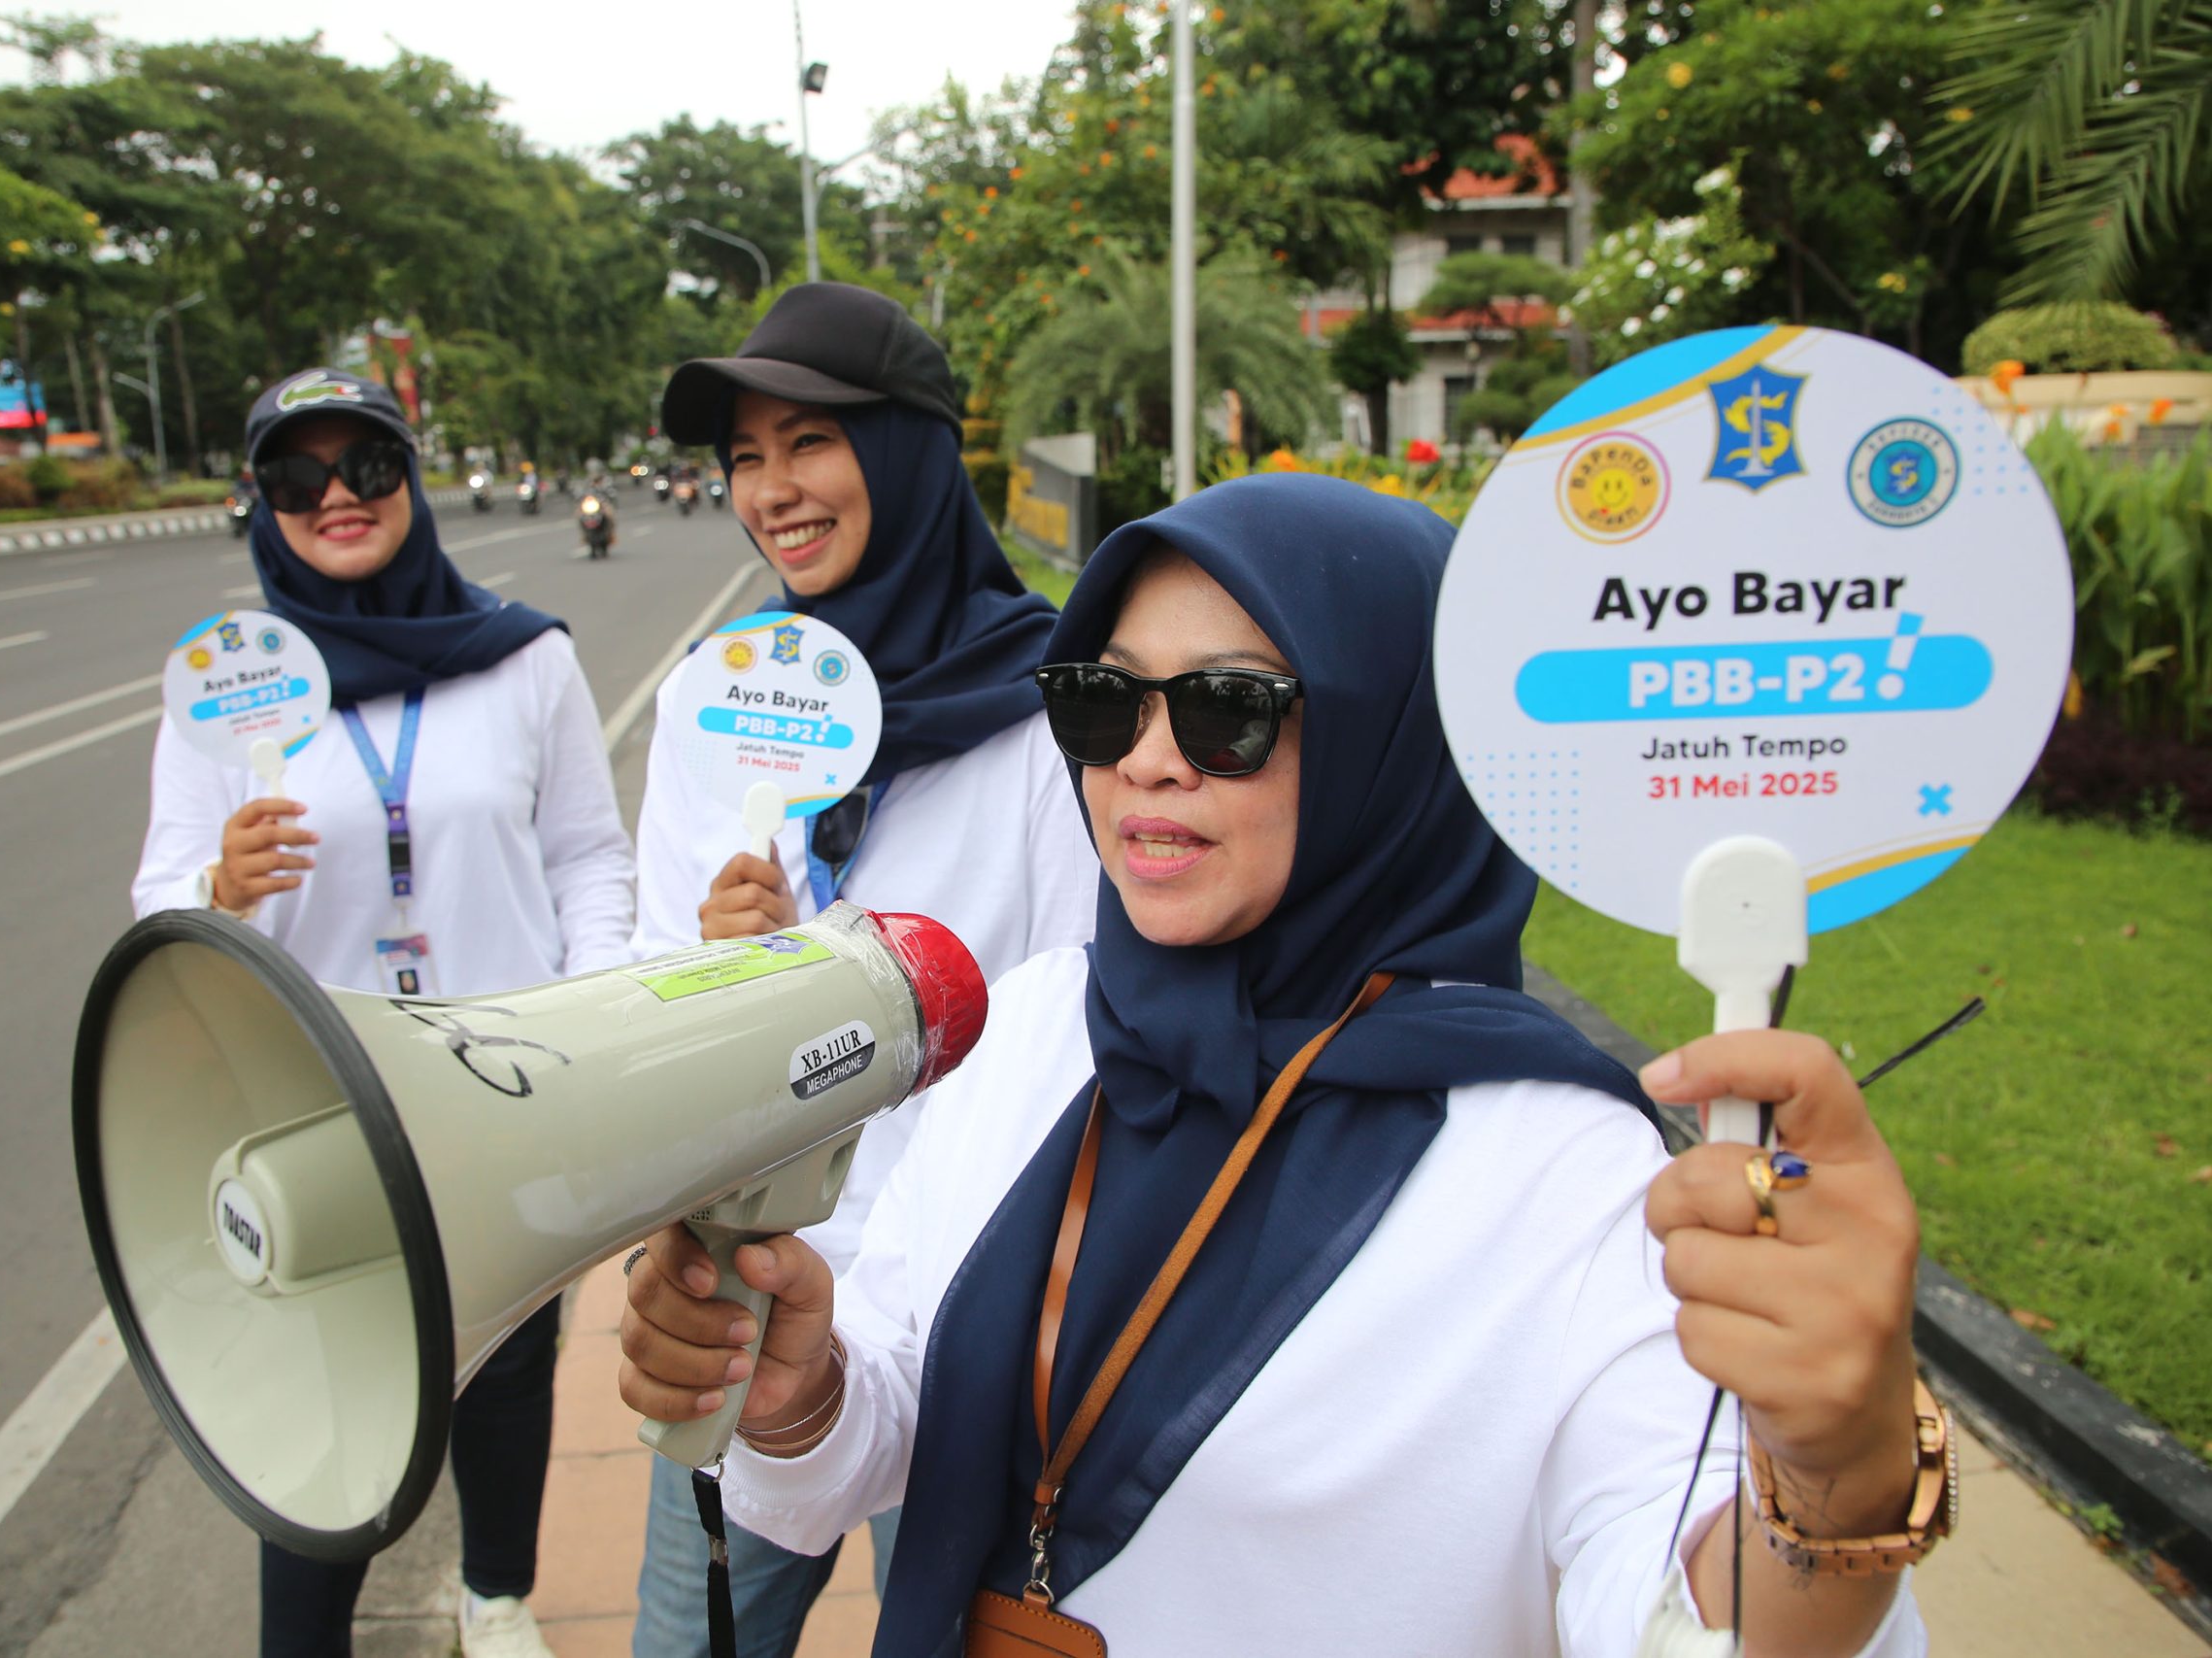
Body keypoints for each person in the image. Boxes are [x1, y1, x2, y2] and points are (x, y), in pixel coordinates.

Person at [620, 475, 1942, 1656]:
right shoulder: (1040, 1027)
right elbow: (903, 1392)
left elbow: (1674, 1610)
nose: (1144, 760)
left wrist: (1835, 1477)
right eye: (1100, 698)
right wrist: (806, 1390)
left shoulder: (1565, 1169)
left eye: (1226, 711)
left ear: (1389, 742)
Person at [626, 283, 1101, 1657]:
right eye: (744, 459)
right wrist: (722, 976)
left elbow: (1076, 1024)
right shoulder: (714, 702)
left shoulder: (1052, 717)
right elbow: (646, 988)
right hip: (742, 1289)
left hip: (963, 1310)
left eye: (808, 442)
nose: (773, 489)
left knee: (940, 1630)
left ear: (905, 450)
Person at [133, 368, 636, 1658]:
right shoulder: (225, 690)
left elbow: (588, 854)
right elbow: (157, 909)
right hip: (319, 1093)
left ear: (414, 478)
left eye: (368, 466)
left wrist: (592, 1016)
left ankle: (495, 1595)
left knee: (513, 1363)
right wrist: (218, 888)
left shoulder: (526, 659)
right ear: (264, 503)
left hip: (507, 1079)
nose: (338, 498)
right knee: (329, 1391)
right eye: (300, 480)